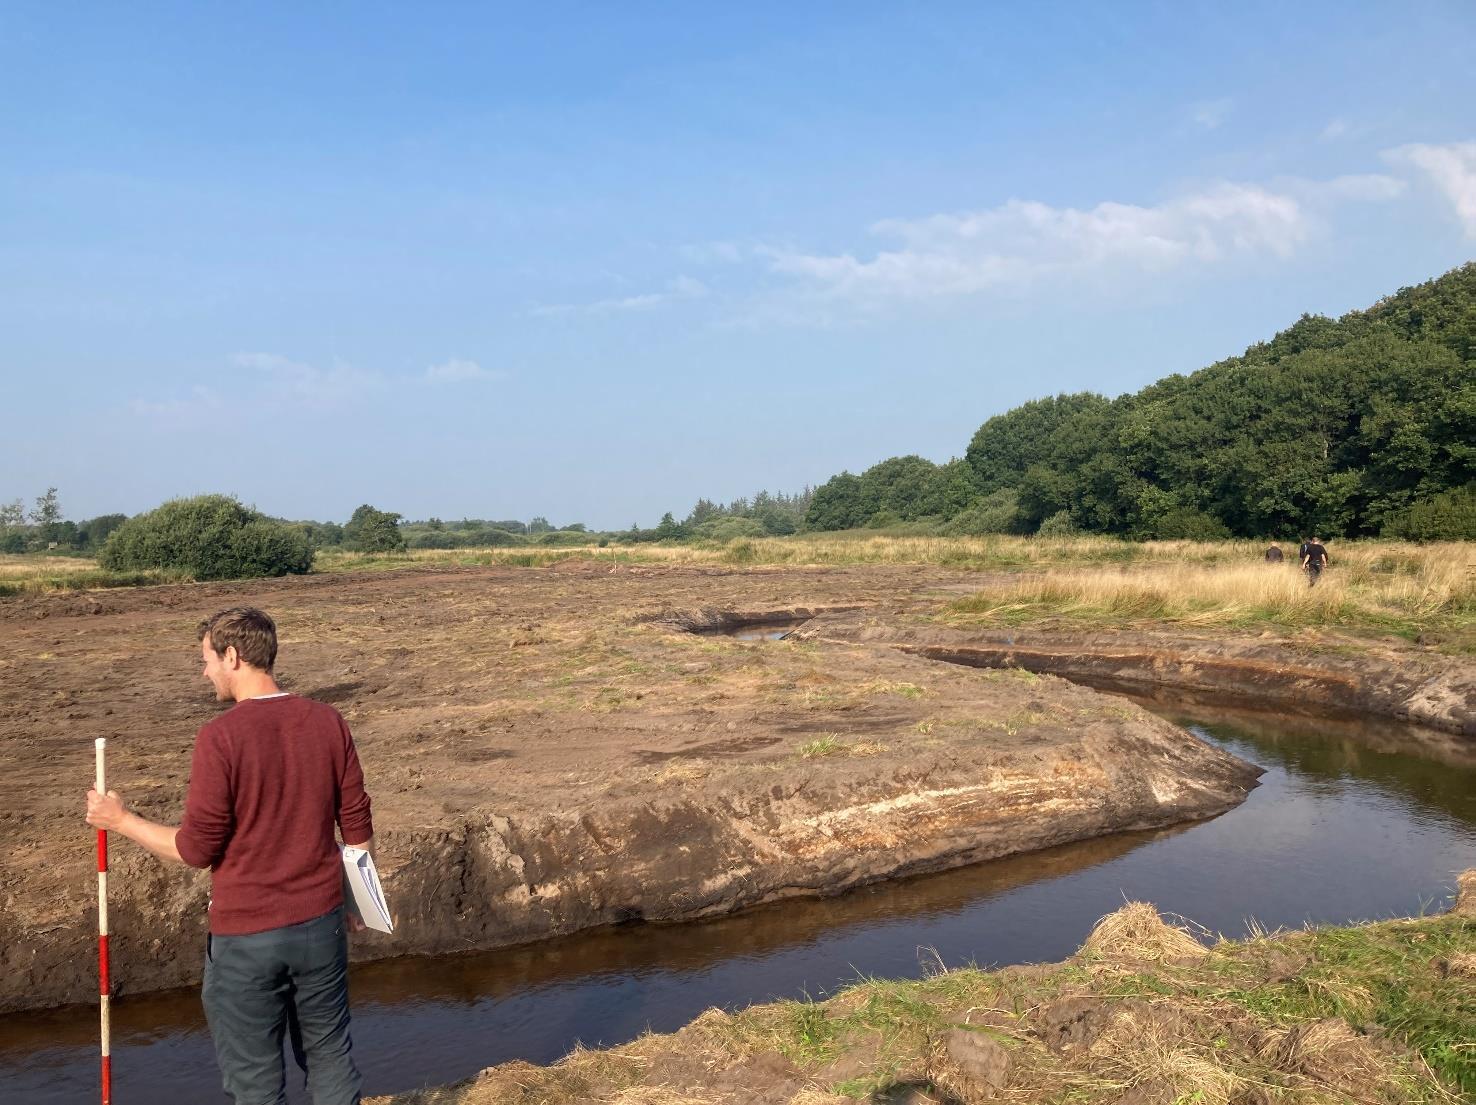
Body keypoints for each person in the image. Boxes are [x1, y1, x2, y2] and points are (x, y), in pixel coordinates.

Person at [86, 607, 375, 1105]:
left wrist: (121, 820)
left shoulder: (220, 738)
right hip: (321, 926)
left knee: (256, 1084)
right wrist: (358, 900)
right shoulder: (328, 721)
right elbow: (356, 822)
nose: (205, 673)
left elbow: (196, 849)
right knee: (330, 1057)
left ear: (233, 656)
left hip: (246, 940)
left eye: (207, 659)